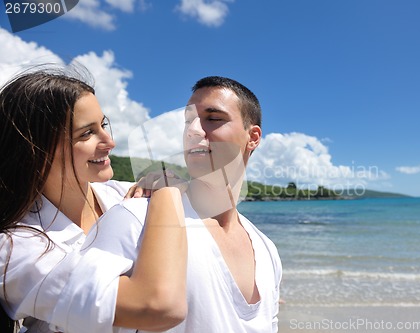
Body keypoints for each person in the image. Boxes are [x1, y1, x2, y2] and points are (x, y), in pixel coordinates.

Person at [0, 69, 187, 333]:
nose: (110, 142)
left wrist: (168, 179)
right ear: (35, 150)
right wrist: (167, 190)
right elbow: (157, 306)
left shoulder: (120, 194)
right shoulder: (18, 250)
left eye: (104, 125)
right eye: (87, 133)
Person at [100, 76, 283, 332]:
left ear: (252, 137)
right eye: (188, 120)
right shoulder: (138, 217)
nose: (193, 130)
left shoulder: (267, 250)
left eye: (213, 118)